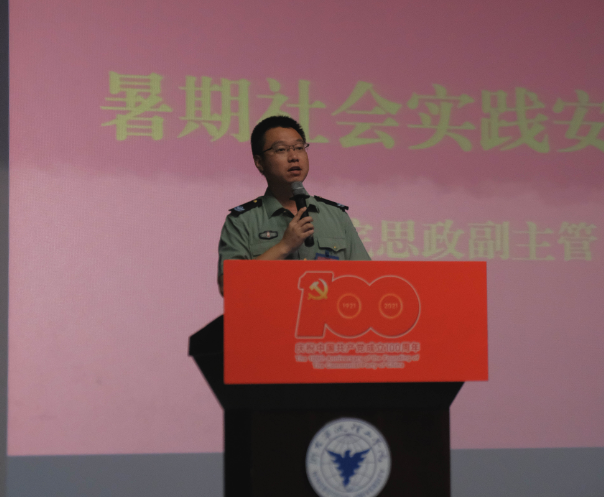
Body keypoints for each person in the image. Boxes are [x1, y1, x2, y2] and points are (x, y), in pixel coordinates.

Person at [217, 115, 370, 295]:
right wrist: (284, 247)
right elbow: (228, 286)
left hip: (327, 311)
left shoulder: (336, 215)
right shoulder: (242, 221)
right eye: (281, 150)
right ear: (259, 162)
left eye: (299, 148)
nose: (294, 157)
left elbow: (367, 279)